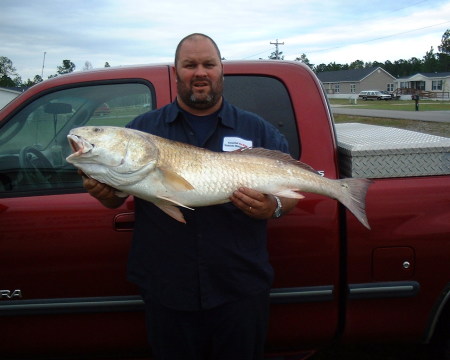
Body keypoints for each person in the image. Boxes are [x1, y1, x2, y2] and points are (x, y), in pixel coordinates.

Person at [81, 33, 298, 360]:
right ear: (176, 72)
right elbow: (117, 197)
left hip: (239, 287)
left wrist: (273, 206)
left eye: (208, 64)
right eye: (190, 65)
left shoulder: (257, 130)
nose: (200, 72)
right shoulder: (142, 132)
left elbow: (291, 189)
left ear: (221, 70)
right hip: (167, 289)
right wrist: (105, 194)